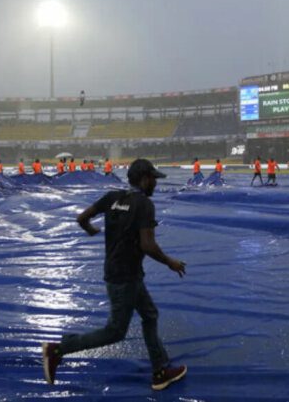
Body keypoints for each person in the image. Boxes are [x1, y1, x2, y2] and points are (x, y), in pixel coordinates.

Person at [42, 158, 187, 391]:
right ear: (144, 179)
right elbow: (147, 245)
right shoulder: (143, 204)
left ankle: (160, 371)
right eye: (153, 180)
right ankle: (58, 350)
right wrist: (170, 262)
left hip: (121, 272)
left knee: (150, 315)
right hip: (125, 278)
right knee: (115, 331)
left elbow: (82, 218)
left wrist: (91, 230)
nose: (155, 185)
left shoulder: (112, 197)